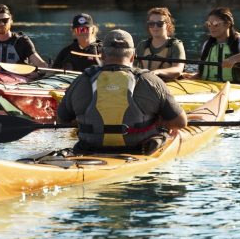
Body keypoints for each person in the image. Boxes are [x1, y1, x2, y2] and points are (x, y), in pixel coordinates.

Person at [56, 29, 188, 154]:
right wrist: (160, 123)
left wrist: (87, 121)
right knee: (162, 131)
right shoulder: (151, 81)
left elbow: (62, 119)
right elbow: (180, 122)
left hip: (89, 149)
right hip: (138, 149)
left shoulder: (81, 80)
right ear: (133, 56)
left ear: (102, 55)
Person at [192, 6, 240, 83]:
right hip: (208, 84)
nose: (211, 27)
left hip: (236, 86)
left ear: (227, 24)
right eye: (209, 24)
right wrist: (194, 77)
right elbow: (203, 70)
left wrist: (233, 59)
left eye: (215, 23)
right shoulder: (207, 44)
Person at [0, 3, 47, 71]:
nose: (2, 24)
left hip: (18, 78)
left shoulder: (23, 41)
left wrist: (36, 74)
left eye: (5, 20)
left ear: (11, 20)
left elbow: (40, 64)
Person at [135, 6, 186, 80]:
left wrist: (157, 72)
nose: (155, 27)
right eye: (151, 23)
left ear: (167, 25)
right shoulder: (142, 45)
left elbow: (178, 69)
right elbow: (132, 66)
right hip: (145, 82)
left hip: (167, 83)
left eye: (159, 23)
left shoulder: (175, 45)